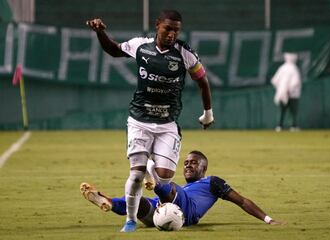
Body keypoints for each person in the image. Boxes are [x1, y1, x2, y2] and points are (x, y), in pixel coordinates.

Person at [86, 10, 214, 232]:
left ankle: (151, 167)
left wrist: (208, 113)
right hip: (139, 120)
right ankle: (131, 220)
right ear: (158, 25)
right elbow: (113, 50)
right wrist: (100, 33)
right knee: (135, 174)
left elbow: (203, 82)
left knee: (164, 180)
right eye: (168, 28)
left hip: (167, 125)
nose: (172, 34)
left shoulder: (184, 53)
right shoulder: (140, 46)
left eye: (176, 30)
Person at [80, 150, 284, 229]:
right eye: (185, 162)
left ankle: (155, 179)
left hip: (188, 211)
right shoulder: (185, 185)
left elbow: (242, 201)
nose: (187, 165)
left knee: (173, 189)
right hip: (165, 210)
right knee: (139, 203)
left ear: (204, 168)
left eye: (193, 163)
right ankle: (106, 200)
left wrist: (268, 219)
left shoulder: (212, 182)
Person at [271, 52, 302, 132]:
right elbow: (296, 82)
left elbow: (274, 80)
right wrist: (289, 90)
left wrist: (281, 89)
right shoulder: (294, 68)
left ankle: (279, 126)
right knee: (292, 111)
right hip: (292, 94)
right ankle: (293, 126)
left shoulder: (282, 68)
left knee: (282, 111)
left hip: (282, 93)